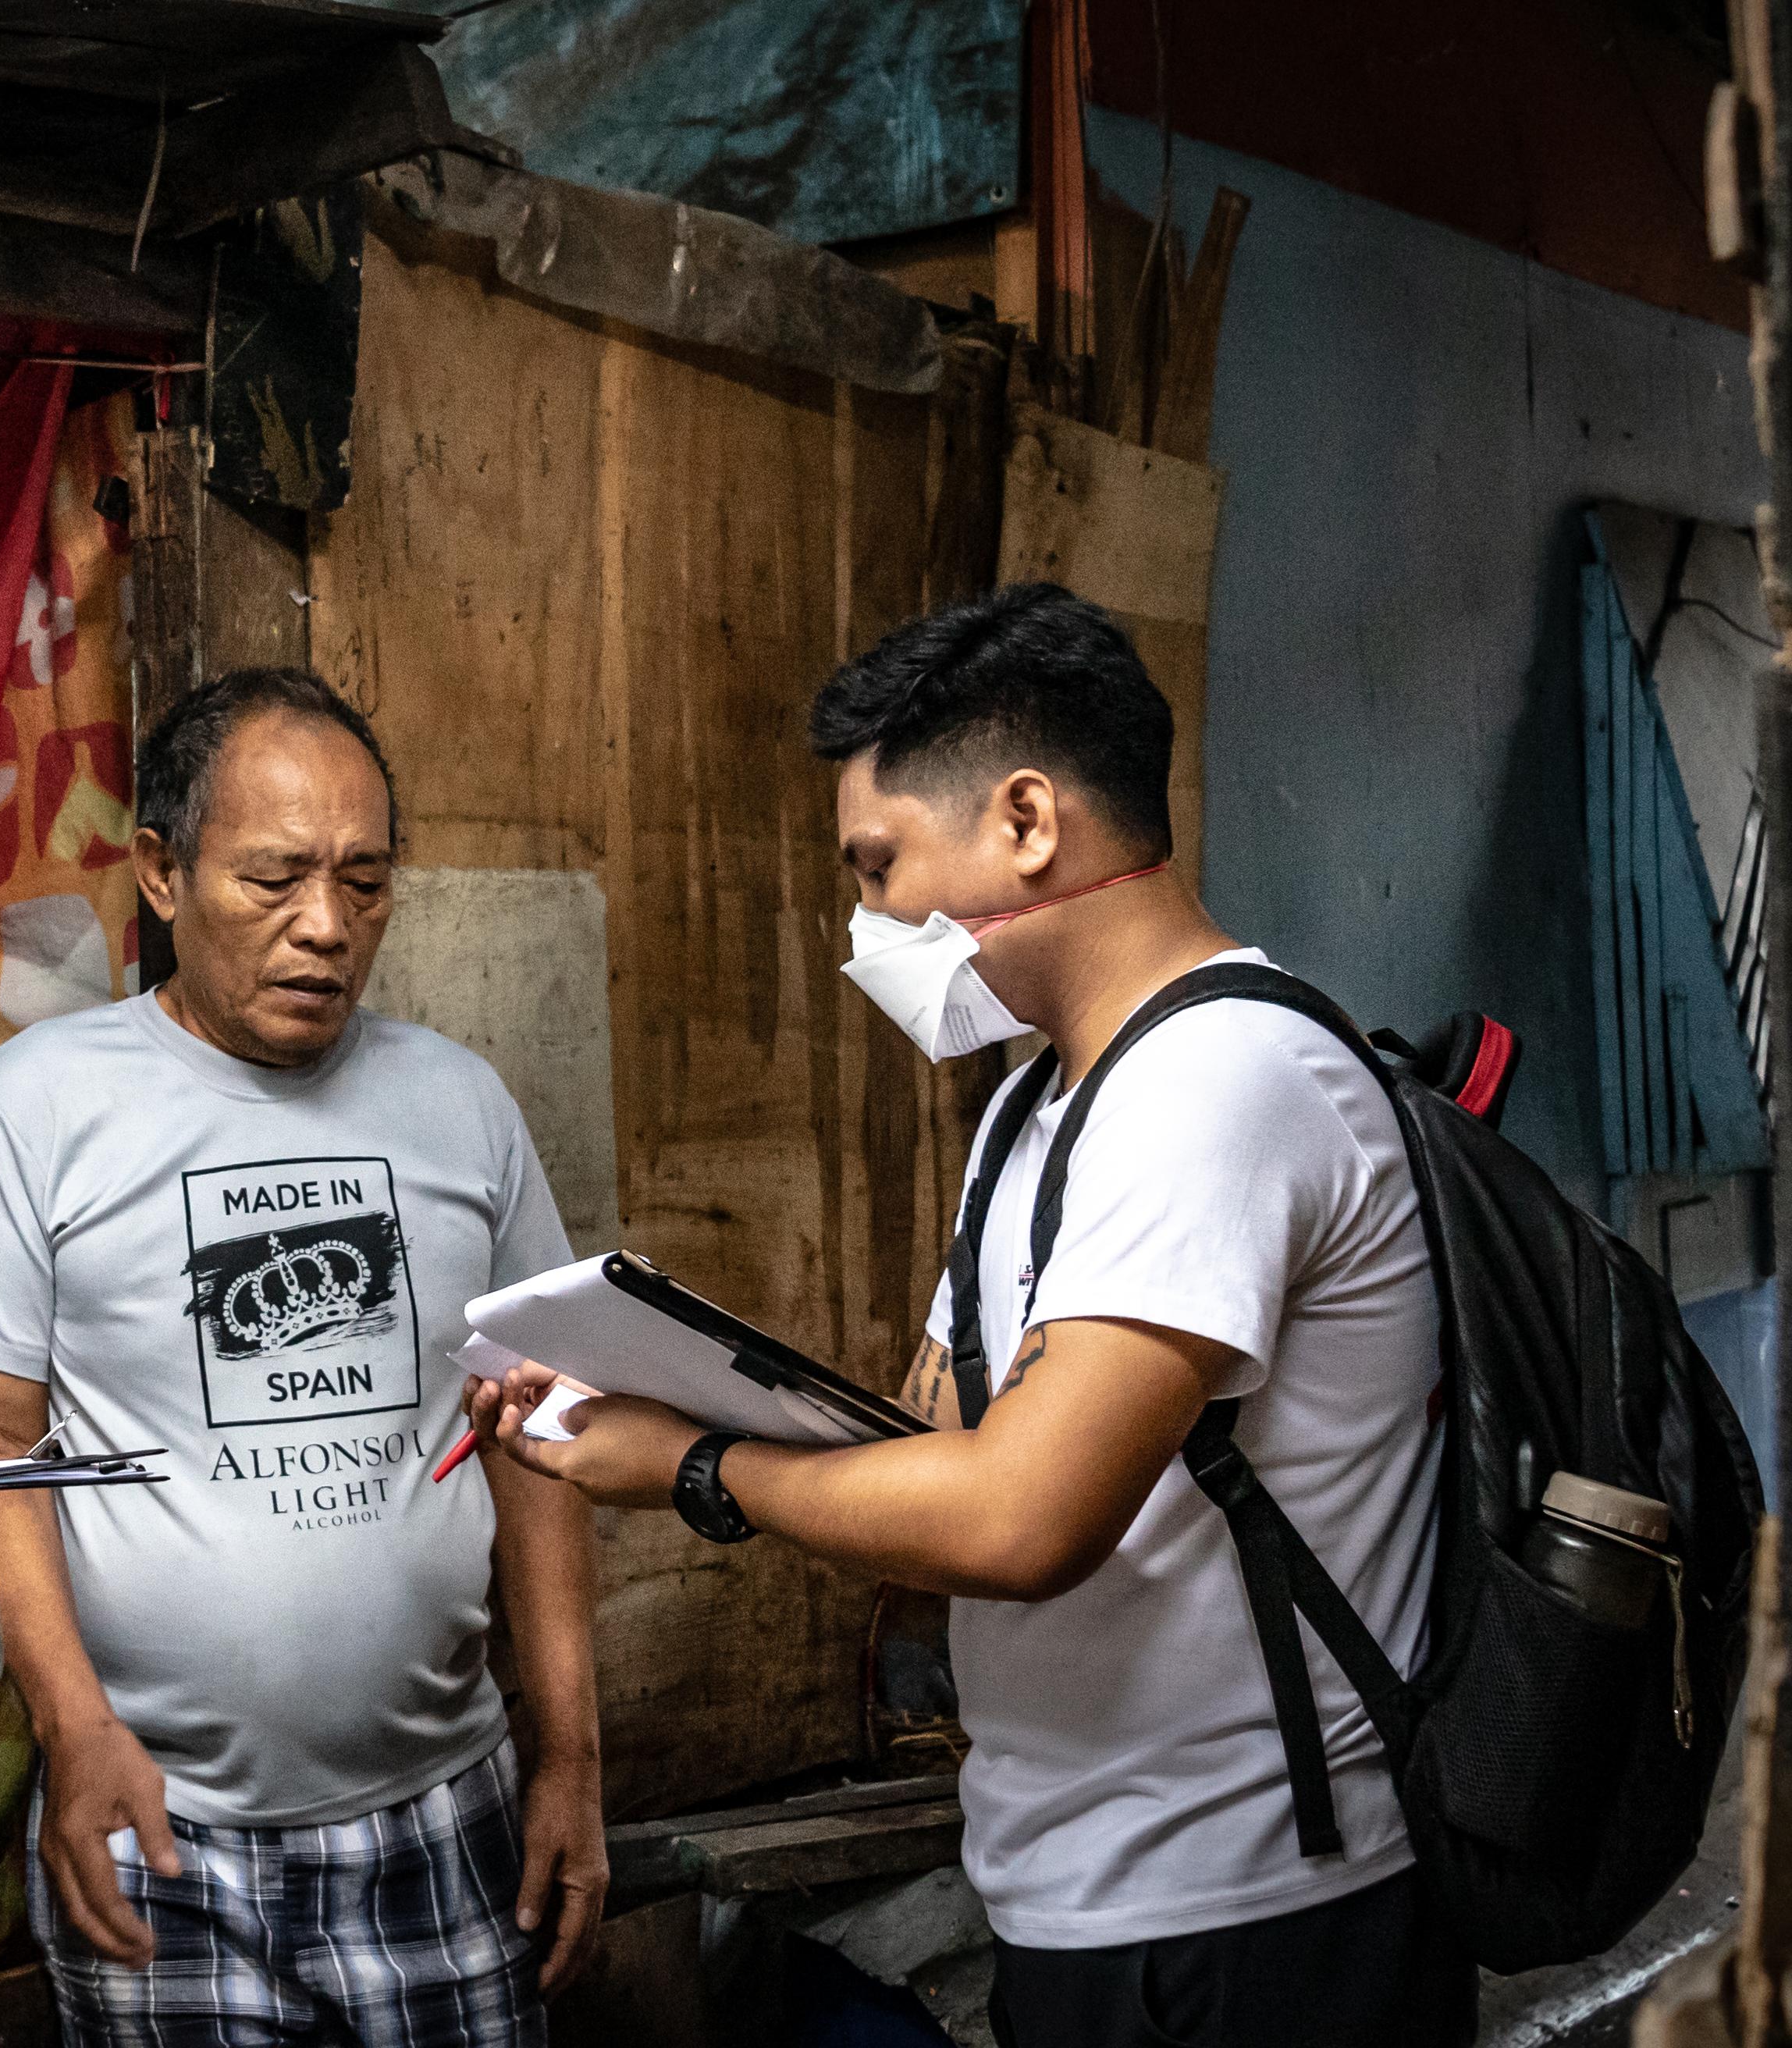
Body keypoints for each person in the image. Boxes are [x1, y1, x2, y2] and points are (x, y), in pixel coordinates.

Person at [472, 585, 1469, 2048]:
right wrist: (647, 1383)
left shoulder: (1220, 1083)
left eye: (878, 865)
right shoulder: (1035, 1106)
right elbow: (931, 1439)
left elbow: (1016, 1519)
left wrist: (688, 1463)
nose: (869, 919)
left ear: (1023, 820)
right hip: (1076, 1881)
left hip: (1258, 1913)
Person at [0, 667, 609, 2048]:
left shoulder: (458, 1100)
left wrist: (572, 1755)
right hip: (158, 1822)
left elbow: (542, 1432)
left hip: (446, 1804)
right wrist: (70, 1729)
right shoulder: (37, 1103)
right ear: (162, 872)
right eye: (274, 877)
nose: (326, 926)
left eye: (364, 880)